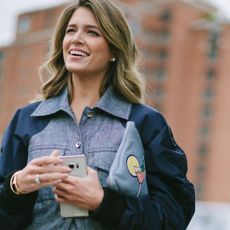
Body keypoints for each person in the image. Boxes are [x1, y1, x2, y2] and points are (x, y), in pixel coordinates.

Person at [0, 0, 195, 229]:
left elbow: (173, 219)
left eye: (92, 32)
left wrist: (104, 203)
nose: (76, 38)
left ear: (114, 49)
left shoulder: (146, 124)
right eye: (70, 30)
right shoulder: (26, 121)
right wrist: (17, 187)